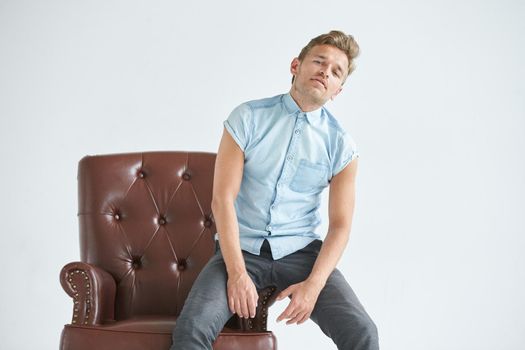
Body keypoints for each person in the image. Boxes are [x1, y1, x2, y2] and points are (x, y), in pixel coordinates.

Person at [170, 30, 379, 350]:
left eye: (336, 71)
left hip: (303, 255)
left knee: (363, 333)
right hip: (240, 252)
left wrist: (314, 285)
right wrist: (237, 274)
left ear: (338, 90)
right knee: (191, 331)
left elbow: (340, 227)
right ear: (296, 65)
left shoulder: (342, 147)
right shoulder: (247, 118)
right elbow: (222, 200)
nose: (325, 71)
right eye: (319, 61)